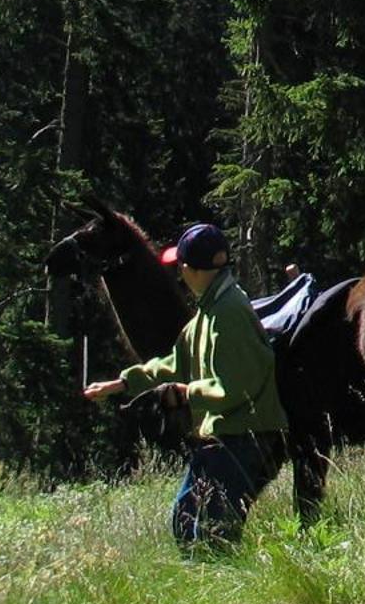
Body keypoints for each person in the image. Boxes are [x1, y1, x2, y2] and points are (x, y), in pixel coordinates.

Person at [83, 223, 287, 548]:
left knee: (211, 533)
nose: (178, 272)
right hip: (219, 436)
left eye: (180, 265)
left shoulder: (228, 314)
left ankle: (224, 592)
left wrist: (186, 394)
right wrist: (121, 383)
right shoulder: (208, 311)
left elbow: (236, 388)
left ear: (192, 270)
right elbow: (175, 363)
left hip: (244, 437)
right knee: (185, 520)